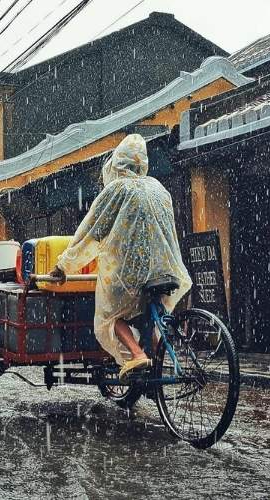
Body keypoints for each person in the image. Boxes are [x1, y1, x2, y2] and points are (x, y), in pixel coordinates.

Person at [49, 134, 192, 380]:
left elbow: (91, 232)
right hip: (166, 268)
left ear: (117, 164)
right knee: (150, 312)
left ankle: (137, 355)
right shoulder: (159, 188)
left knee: (110, 316)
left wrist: (64, 265)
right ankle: (154, 359)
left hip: (131, 274)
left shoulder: (117, 189)